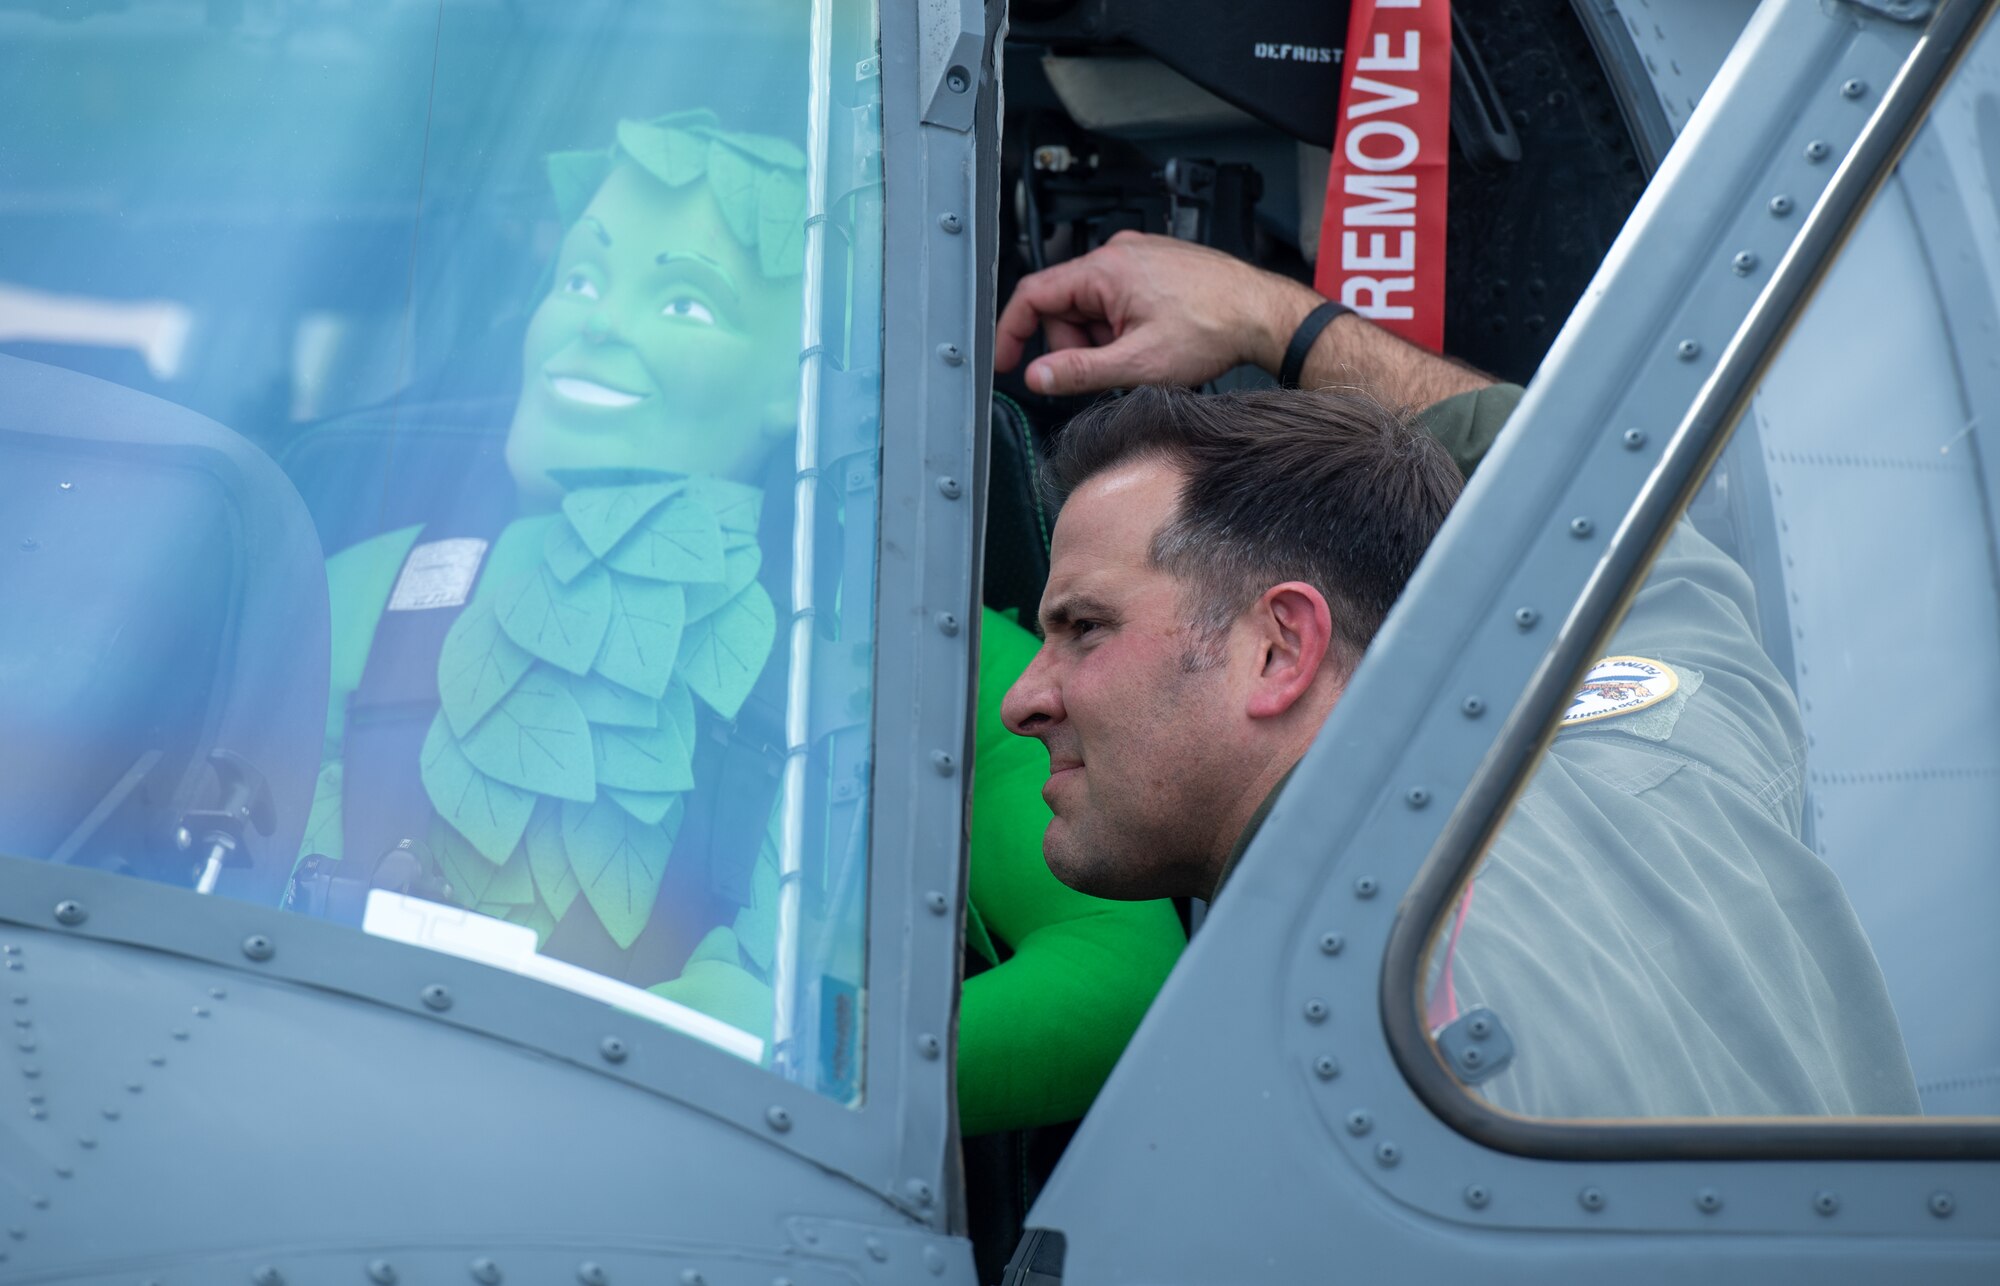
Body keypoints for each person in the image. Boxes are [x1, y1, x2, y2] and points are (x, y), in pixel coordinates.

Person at [290, 113, 1182, 1133]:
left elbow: (1116, 971)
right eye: (580, 280)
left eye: (682, 300)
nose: (598, 324)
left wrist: (793, 1065)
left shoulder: (923, 645)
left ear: (791, 380)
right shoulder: (361, 591)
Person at [994, 238, 1920, 1118]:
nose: (1022, 699)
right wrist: (1274, 319)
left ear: (1280, 648)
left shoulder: (1298, 1077)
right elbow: (1583, 497)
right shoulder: (1670, 762)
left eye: (1085, 629)